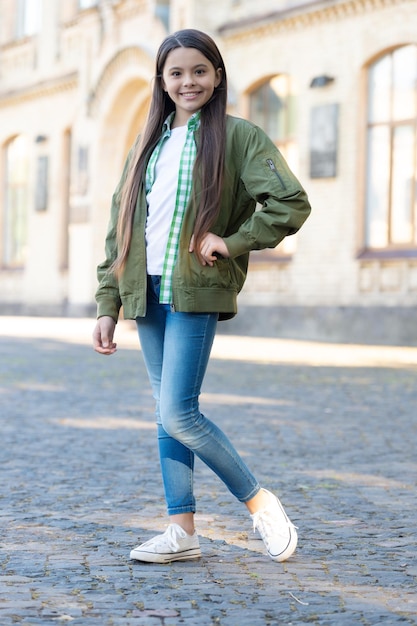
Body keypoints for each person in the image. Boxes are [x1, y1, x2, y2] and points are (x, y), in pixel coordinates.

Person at [93, 28, 311, 565]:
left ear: (216, 77)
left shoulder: (239, 137)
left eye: (199, 71)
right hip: (145, 295)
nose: (188, 81)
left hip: (195, 292)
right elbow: (119, 228)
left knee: (180, 413)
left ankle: (261, 504)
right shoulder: (147, 146)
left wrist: (233, 241)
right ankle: (181, 532)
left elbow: (290, 202)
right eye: (176, 73)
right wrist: (107, 302)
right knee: (165, 415)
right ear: (162, 82)